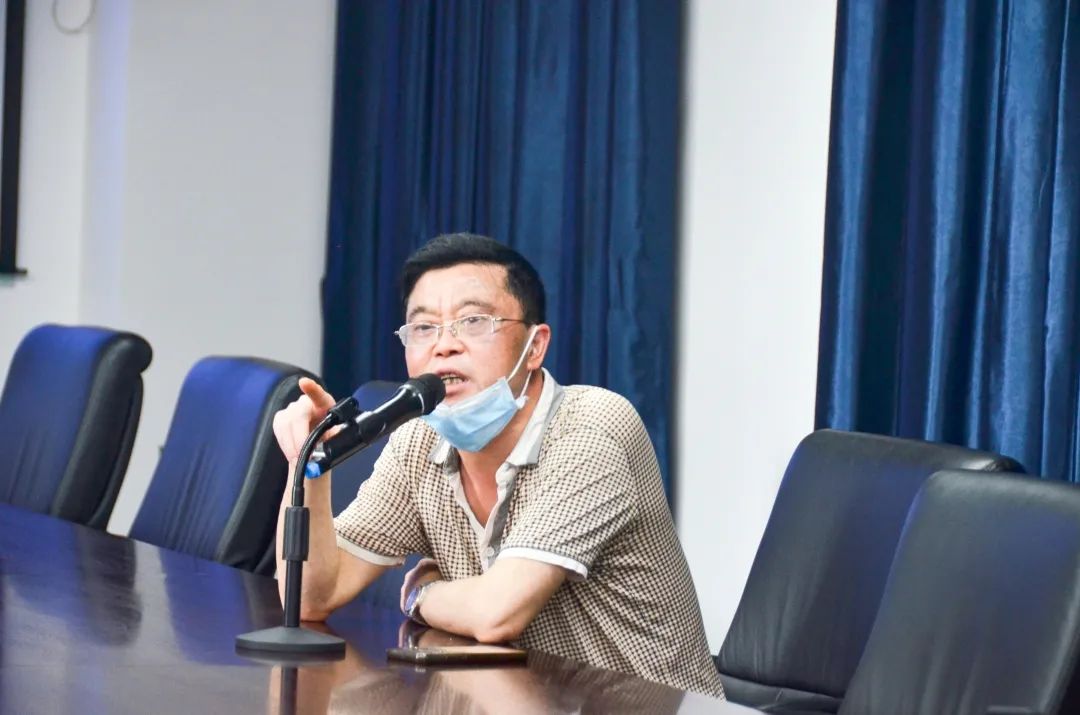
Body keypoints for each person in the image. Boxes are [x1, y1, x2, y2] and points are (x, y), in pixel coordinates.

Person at [273, 233, 724, 698]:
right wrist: (308, 460)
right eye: (423, 328)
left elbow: (496, 614)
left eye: (473, 321)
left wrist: (421, 594)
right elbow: (310, 598)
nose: (443, 346)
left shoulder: (591, 428)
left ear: (535, 346)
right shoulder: (418, 442)